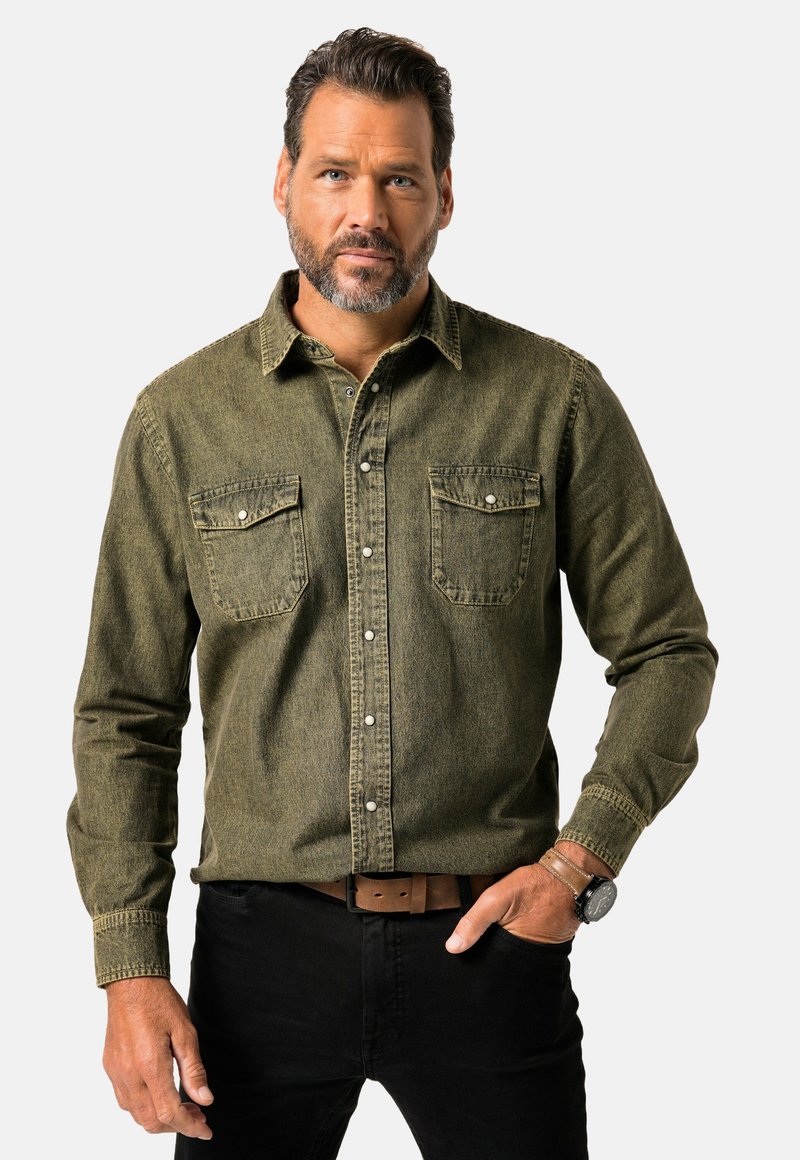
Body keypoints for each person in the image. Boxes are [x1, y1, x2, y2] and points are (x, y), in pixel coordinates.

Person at [67, 26, 718, 1160]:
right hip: (259, 960)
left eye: (399, 178)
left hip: (492, 944)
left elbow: (667, 649)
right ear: (283, 181)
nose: (364, 210)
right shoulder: (182, 419)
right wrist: (130, 965)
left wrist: (577, 863)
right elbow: (126, 707)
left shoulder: (552, 400)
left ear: (444, 195)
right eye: (334, 172)